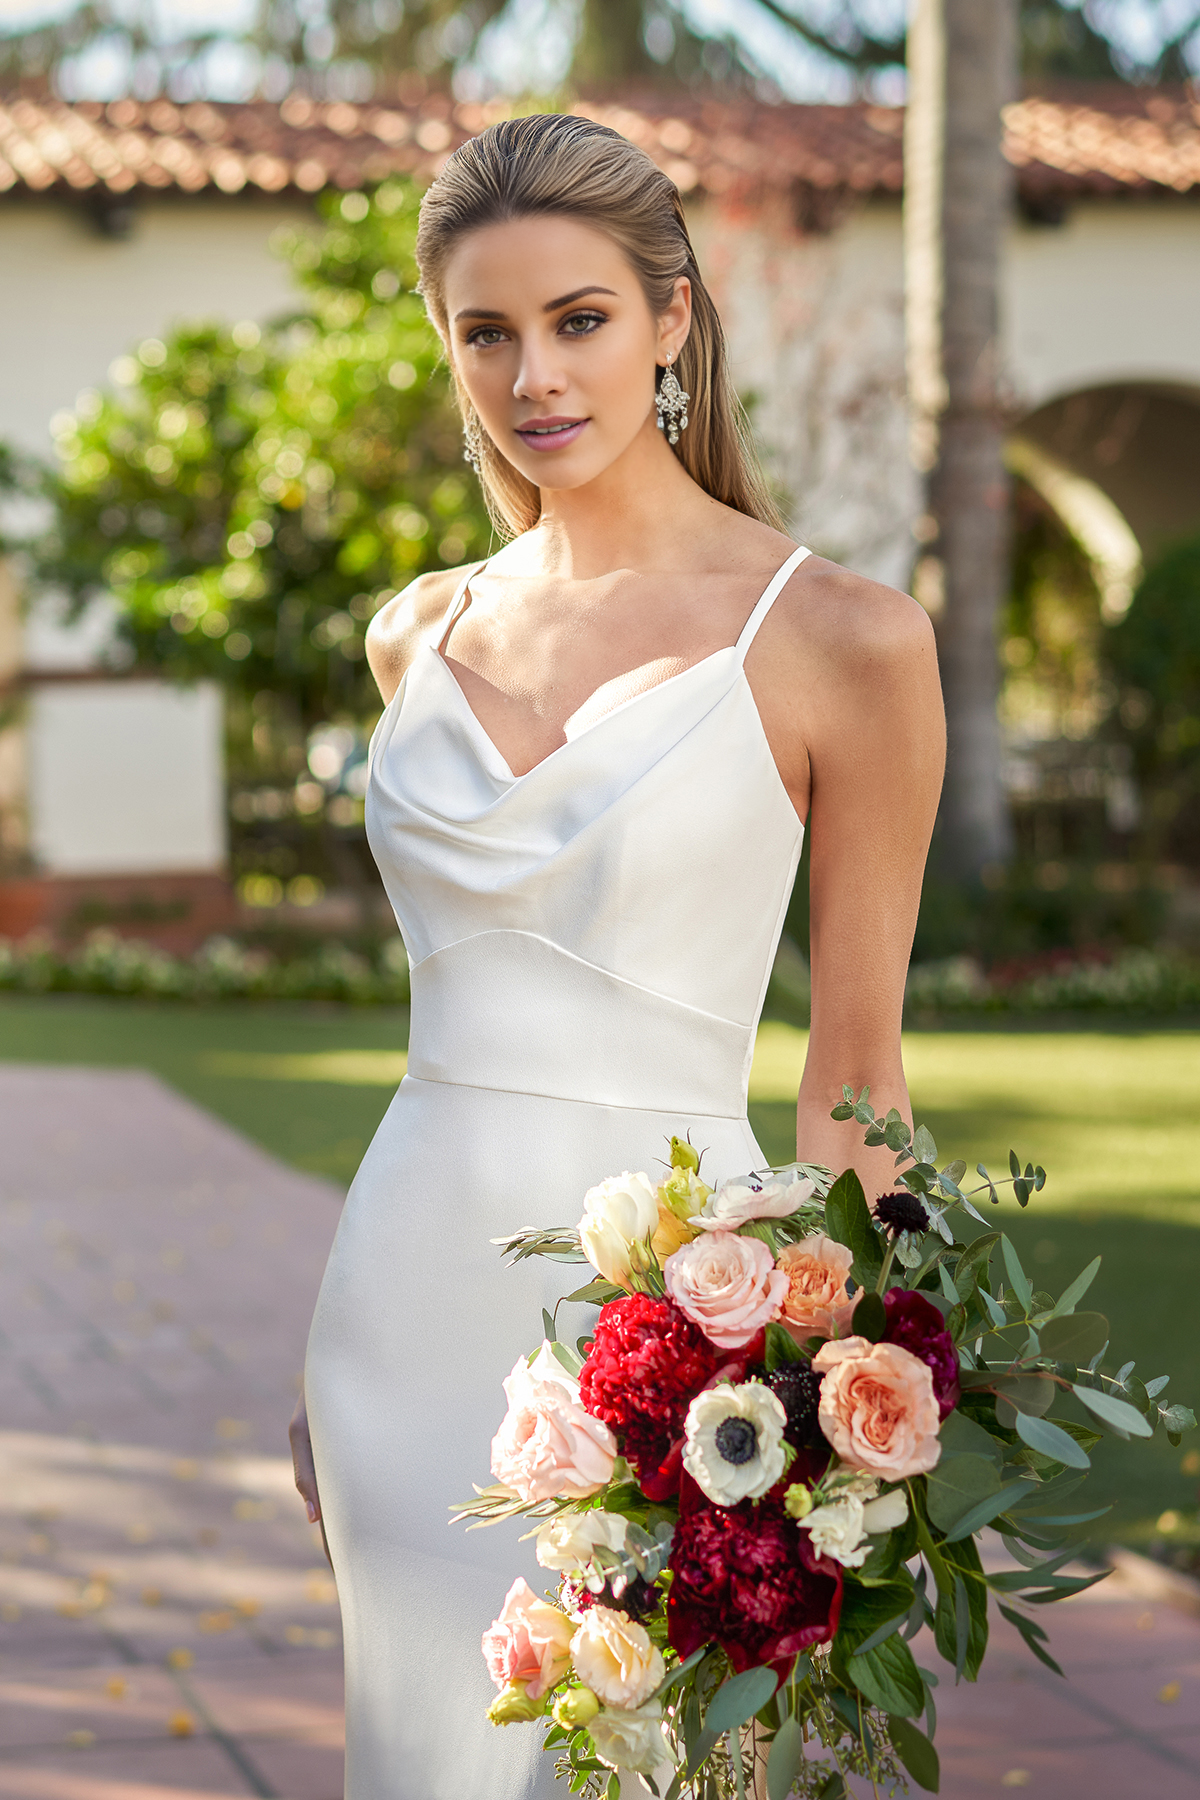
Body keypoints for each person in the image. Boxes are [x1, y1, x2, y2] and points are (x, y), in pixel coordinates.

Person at [290, 112, 944, 1799]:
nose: (534, 376)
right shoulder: (416, 634)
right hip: (397, 1313)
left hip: (676, 1331)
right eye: (485, 331)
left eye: (579, 318)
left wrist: (875, 1388)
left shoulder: (839, 638)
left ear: (671, 318)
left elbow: (856, 1068)